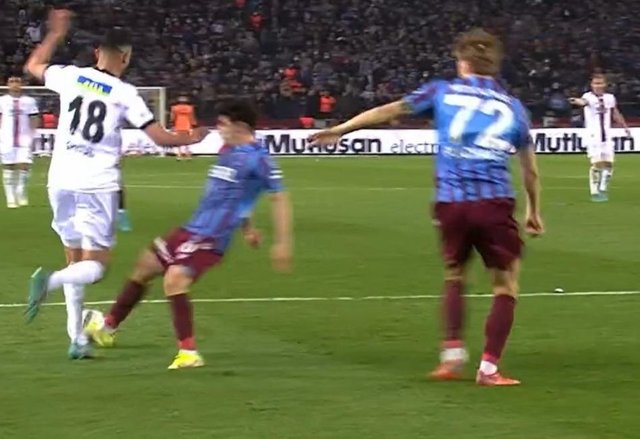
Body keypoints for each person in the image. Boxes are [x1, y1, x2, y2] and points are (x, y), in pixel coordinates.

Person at [309, 29, 543, 386]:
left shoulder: (441, 91)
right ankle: (488, 369)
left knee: (454, 275)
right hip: (494, 201)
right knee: (505, 285)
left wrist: (343, 128)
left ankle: (451, 358)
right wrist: (533, 211)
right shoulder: (514, 108)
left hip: (451, 202)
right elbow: (530, 169)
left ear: (462, 62)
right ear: (494, 65)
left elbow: (390, 109)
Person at [23, 9, 208, 359]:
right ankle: (49, 281)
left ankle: (76, 340)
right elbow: (160, 138)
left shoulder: (70, 75)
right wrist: (194, 136)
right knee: (96, 266)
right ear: (126, 57)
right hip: (97, 183)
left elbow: (33, 65)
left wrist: (56, 34)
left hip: (59, 179)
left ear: (97, 53)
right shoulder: (125, 93)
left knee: (74, 258)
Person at [85, 99, 293, 370]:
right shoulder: (228, 151)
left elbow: (279, 197)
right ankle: (108, 327)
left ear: (241, 126)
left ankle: (188, 352)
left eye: (223, 125)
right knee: (145, 265)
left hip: (212, 236)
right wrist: (248, 228)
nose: (219, 129)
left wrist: (282, 243)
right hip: (191, 229)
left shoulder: (260, 159)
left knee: (175, 279)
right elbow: (238, 195)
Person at [569, 73, 630, 202]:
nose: (598, 86)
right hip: (593, 135)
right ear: (591, 85)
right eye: (596, 83)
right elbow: (583, 102)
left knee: (609, 164)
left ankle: (603, 188)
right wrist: (576, 101)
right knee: (597, 163)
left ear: (605, 84)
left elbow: (615, 113)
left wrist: (625, 127)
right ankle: (594, 191)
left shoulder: (610, 98)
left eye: (600, 83)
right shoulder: (588, 97)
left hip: (607, 135)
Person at [0, 75, 40, 208]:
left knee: (24, 165)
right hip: (6, 138)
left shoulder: (29, 101)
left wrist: (32, 134)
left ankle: (20, 192)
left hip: (24, 138)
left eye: (17, 81)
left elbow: (34, 118)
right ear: (7, 84)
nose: (15, 84)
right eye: (11, 81)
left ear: (22, 84)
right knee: (9, 166)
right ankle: (10, 197)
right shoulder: (2, 101)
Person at [171, 95, 197, 160]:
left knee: (178, 141)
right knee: (187, 141)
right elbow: (191, 117)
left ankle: (179, 155)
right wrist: (194, 124)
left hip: (178, 124)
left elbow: (173, 117)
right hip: (187, 125)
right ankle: (188, 155)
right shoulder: (190, 108)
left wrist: (172, 123)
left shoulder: (174, 108)